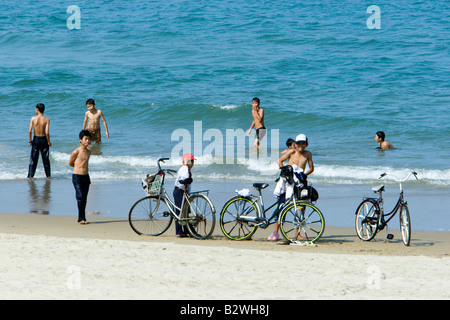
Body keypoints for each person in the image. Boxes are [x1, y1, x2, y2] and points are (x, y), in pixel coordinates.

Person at [269, 134, 314, 241]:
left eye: (303, 143)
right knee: (281, 205)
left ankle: (297, 233)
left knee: (300, 207)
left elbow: (311, 168)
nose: (301, 145)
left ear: (306, 144)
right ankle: (275, 232)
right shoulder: (292, 152)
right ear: (296, 144)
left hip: (299, 182)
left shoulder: (308, 154)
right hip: (288, 181)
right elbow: (280, 161)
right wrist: (285, 171)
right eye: (299, 143)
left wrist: (304, 175)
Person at [69, 130, 92, 224]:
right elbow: (70, 163)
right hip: (77, 176)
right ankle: (80, 218)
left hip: (86, 177)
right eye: (85, 139)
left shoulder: (89, 152)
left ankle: (83, 218)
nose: (87, 141)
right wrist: (78, 169)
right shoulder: (76, 151)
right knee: (81, 196)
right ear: (80, 140)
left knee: (84, 198)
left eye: (89, 139)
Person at [173, 153, 195, 237]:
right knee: (179, 211)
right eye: (190, 161)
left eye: (192, 161)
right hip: (178, 192)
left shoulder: (187, 169)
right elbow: (185, 178)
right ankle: (179, 231)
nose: (192, 163)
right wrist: (185, 165)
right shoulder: (184, 169)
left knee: (186, 211)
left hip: (184, 192)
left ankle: (187, 230)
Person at [27, 103, 51, 178]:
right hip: (43, 139)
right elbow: (47, 132)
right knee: (46, 160)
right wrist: (48, 142)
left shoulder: (33, 118)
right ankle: (48, 176)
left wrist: (30, 141)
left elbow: (30, 131)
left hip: (36, 139)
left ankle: (30, 176)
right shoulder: (46, 120)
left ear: (37, 109)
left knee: (33, 160)